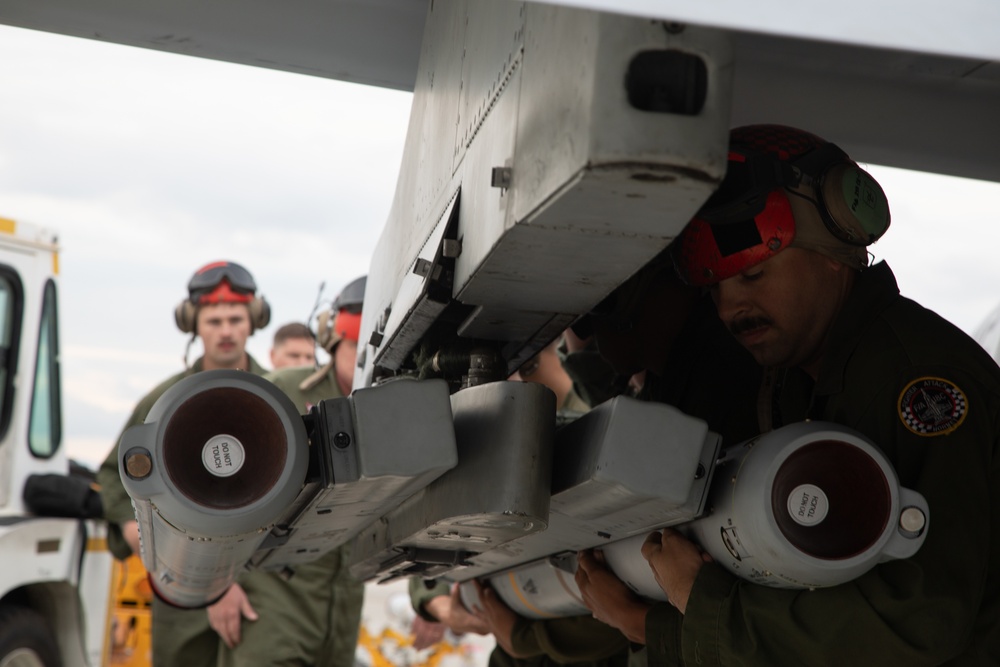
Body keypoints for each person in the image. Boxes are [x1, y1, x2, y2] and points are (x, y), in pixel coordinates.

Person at [587, 124, 1000, 665]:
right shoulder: (799, 381)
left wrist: (693, 605)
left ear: (833, 250)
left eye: (754, 274)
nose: (730, 307)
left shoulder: (914, 380)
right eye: (715, 289)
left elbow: (916, 621)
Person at [96, 260, 271, 666]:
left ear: (253, 322)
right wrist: (140, 535)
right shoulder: (163, 404)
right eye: (214, 320)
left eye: (234, 318)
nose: (225, 330)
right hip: (182, 591)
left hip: (262, 589)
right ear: (194, 325)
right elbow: (113, 473)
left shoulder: (278, 398)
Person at [205, 276, 368, 667]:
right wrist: (216, 587)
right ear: (333, 342)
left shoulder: (391, 405)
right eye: (358, 347)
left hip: (340, 606)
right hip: (271, 598)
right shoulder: (281, 392)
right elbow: (212, 484)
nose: (367, 359)